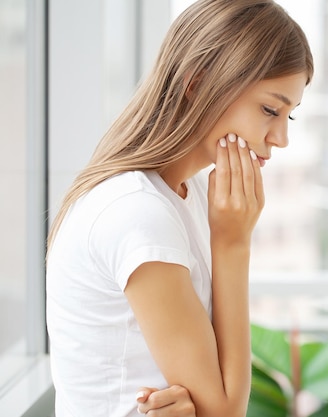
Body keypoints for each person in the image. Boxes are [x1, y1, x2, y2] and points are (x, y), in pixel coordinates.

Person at [45, 0, 313, 416]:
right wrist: (233, 243)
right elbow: (225, 412)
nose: (280, 138)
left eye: (289, 117)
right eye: (269, 110)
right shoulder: (136, 211)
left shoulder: (193, 193)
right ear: (197, 83)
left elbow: (216, 396)